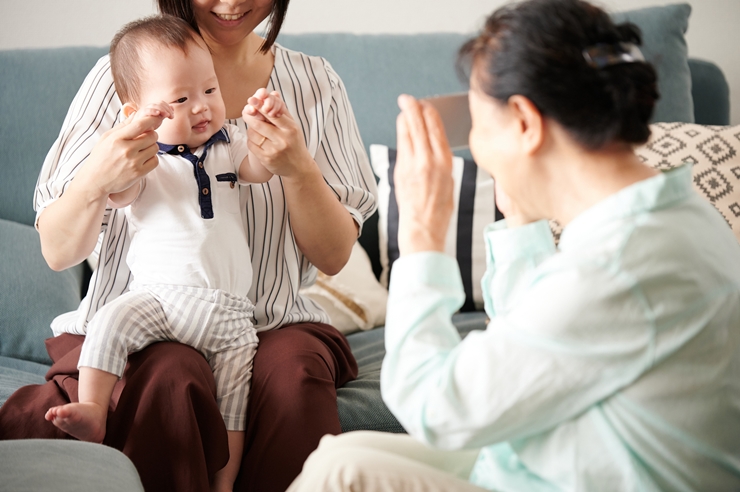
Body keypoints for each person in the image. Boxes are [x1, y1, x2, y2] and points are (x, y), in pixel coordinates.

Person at [287, 0, 740, 491]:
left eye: (479, 123)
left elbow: (433, 407)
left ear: (525, 122)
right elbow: (533, 340)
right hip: (571, 457)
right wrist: (521, 220)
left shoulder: (615, 267)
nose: (477, 146)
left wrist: (421, 237)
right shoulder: (673, 213)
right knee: (345, 452)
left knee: (341, 474)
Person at [0, 0, 377, 491]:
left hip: (269, 320)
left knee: (293, 375)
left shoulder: (313, 82)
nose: (231, 2)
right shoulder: (123, 75)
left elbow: (332, 255)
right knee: (170, 372)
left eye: (209, 92)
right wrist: (97, 179)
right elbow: (57, 250)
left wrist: (298, 168)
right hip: (148, 317)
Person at [43, 15, 286, 492]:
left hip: (232, 315)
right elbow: (119, 192)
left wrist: (264, 127)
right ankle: (94, 410)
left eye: (210, 90)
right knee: (109, 322)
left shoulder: (228, 143)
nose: (201, 107)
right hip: (157, 302)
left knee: (235, 406)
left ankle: (225, 482)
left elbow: (258, 168)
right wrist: (124, 151)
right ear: (139, 111)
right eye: (180, 98)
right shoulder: (141, 160)